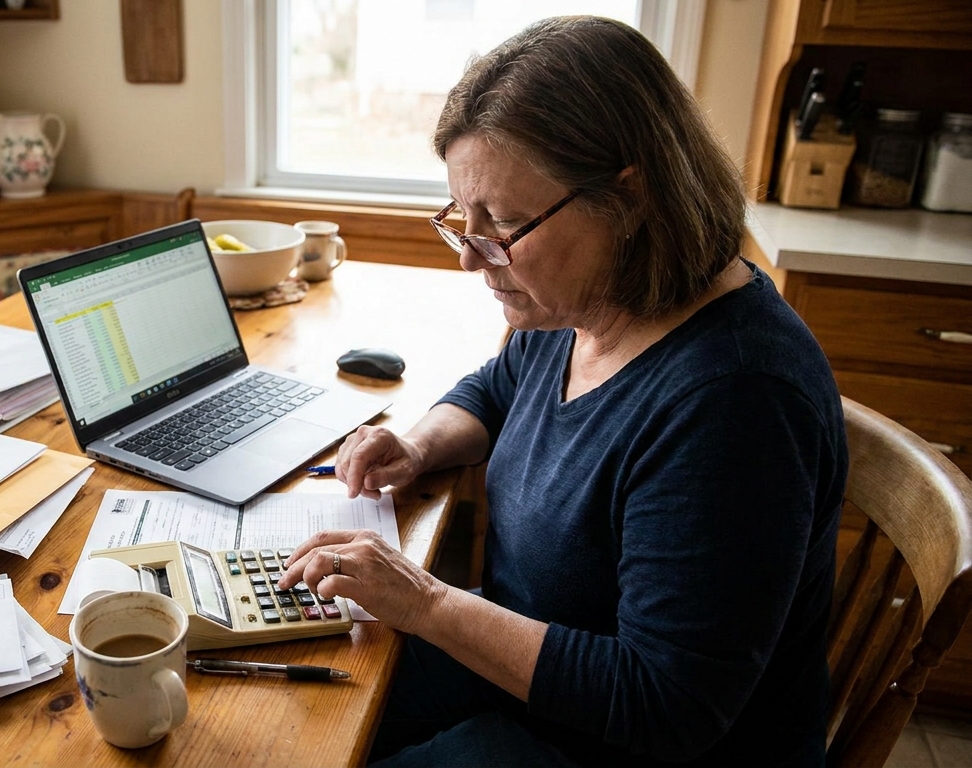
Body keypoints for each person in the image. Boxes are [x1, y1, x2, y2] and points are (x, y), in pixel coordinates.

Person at [277, 16, 847, 768]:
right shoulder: (582, 298)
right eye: (463, 221)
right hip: (531, 678)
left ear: (629, 198)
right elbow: (499, 387)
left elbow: (665, 703)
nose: (475, 260)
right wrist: (416, 445)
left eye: (505, 224)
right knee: (290, 711)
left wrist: (428, 602)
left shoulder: (735, 402)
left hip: (629, 742)